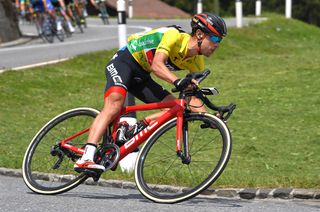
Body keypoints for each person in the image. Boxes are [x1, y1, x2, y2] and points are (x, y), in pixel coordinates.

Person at [74, 12, 228, 172]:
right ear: (199, 34)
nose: (217, 44)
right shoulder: (173, 36)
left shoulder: (198, 62)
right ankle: (86, 157)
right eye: (215, 38)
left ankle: (137, 127)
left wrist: (211, 119)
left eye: (220, 40)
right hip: (125, 61)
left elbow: (192, 98)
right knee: (114, 105)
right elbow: (157, 65)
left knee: (175, 109)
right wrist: (177, 81)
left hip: (142, 76)